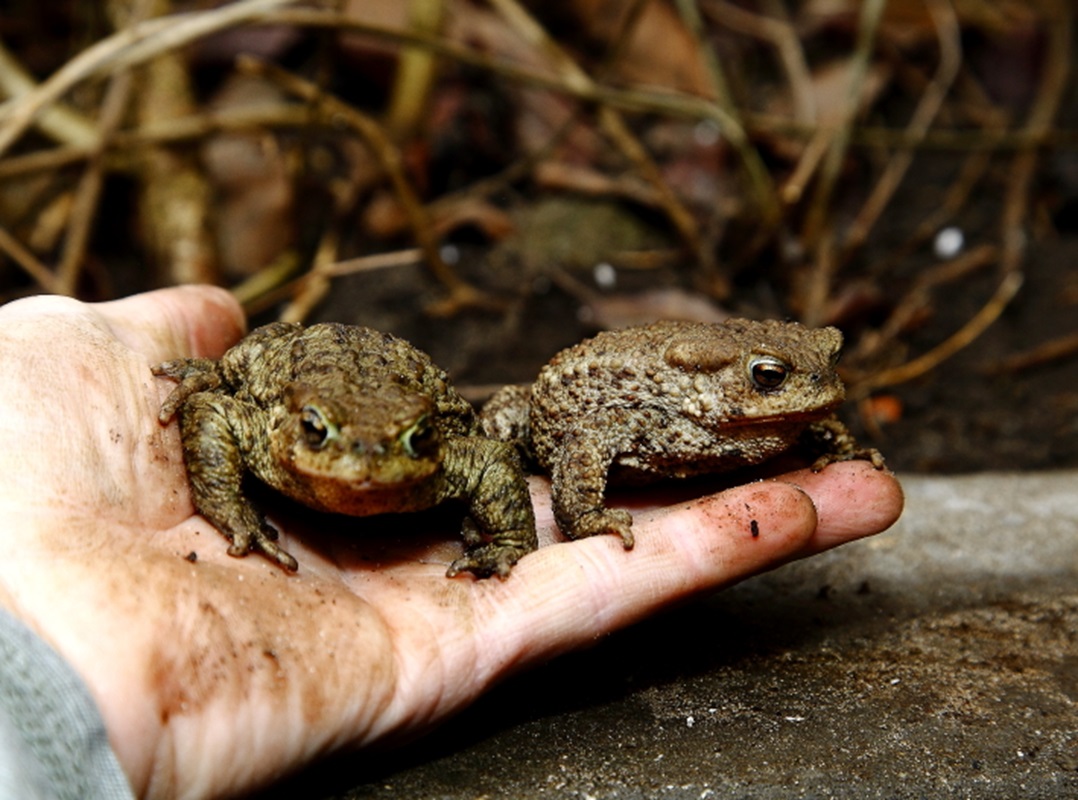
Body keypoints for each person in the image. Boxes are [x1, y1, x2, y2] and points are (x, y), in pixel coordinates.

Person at [0, 286, 903, 799]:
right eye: (321, 443)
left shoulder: (451, 454)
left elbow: (479, 463)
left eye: (412, 451)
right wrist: (233, 515)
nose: (359, 470)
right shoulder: (258, 419)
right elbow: (215, 405)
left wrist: (502, 539)